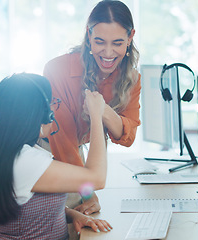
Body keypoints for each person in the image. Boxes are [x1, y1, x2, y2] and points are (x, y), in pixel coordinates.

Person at [0, 73, 112, 239]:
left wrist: (73, 215)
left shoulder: (17, 154)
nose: (54, 107)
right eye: (52, 102)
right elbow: (97, 179)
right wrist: (96, 116)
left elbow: (28, 206)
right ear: (40, 112)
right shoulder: (26, 162)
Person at [42, 0, 141, 214]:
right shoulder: (57, 70)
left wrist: (103, 111)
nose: (107, 53)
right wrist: (88, 191)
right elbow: (64, 143)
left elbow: (128, 136)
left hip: (77, 154)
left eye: (117, 43)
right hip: (46, 155)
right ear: (89, 35)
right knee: (72, 220)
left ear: (130, 37)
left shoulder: (131, 78)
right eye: (99, 42)